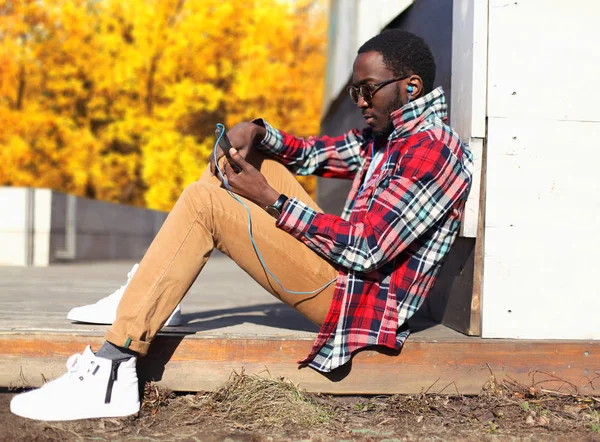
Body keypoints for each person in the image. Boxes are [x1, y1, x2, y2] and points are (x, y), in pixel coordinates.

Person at [10, 29, 473, 421]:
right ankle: (147, 294)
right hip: (348, 277)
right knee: (243, 160)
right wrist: (257, 132)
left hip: (359, 301)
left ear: (410, 87)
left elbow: (367, 248)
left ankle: (112, 370)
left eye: (367, 90)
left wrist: (270, 200)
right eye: (354, 92)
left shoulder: (432, 149)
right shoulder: (388, 135)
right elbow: (316, 153)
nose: (358, 102)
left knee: (205, 202)